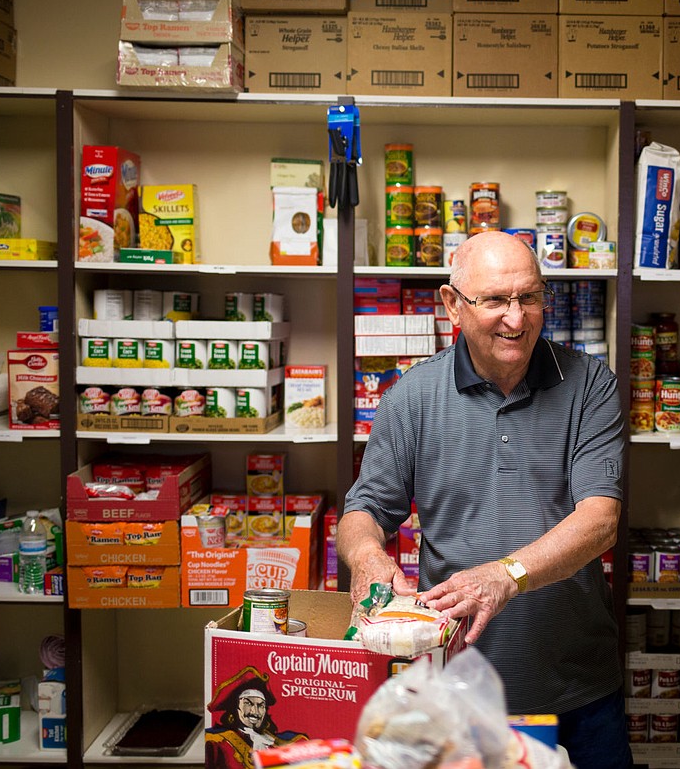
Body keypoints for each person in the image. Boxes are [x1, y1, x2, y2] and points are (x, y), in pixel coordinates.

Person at [340, 230, 631, 769]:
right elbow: (364, 509)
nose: (517, 320)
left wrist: (505, 575)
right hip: (454, 691)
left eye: (531, 297)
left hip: (580, 689)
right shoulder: (412, 397)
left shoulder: (590, 384)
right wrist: (367, 557)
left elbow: (599, 522)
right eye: (495, 300)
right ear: (452, 304)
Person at [205, 666, 308, 769]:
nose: (255, 711)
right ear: (234, 708)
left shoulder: (275, 741)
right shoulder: (217, 742)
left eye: (260, 705)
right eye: (248, 703)